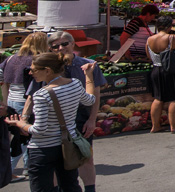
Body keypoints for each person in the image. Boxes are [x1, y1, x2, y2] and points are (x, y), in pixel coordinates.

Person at [6, 52, 96, 192]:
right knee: (70, 185)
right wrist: (88, 75)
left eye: (34, 70)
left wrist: (20, 124)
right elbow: (90, 100)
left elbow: (39, 130)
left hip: (43, 150)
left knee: (42, 188)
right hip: (67, 146)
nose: (30, 73)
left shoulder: (42, 94)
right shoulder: (75, 84)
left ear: (47, 70)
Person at [34, 32, 106, 192]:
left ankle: (90, 189)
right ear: (50, 49)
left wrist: (92, 119)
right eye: (55, 46)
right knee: (55, 159)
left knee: (85, 156)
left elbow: (96, 95)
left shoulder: (89, 65)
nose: (61, 48)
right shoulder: (46, 68)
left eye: (65, 44)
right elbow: (34, 95)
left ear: (73, 44)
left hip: (81, 118)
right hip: (52, 122)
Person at [2, 32, 49, 178]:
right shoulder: (36, 61)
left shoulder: (11, 58)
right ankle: (8, 170)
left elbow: (2, 76)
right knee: (23, 138)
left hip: (11, 99)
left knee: (20, 136)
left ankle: (29, 168)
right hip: (27, 101)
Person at [146, 15, 175, 133]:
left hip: (156, 70)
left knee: (158, 98)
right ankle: (173, 127)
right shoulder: (172, 38)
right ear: (169, 27)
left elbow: (149, 56)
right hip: (170, 70)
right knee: (173, 99)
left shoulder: (149, 39)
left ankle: (155, 126)